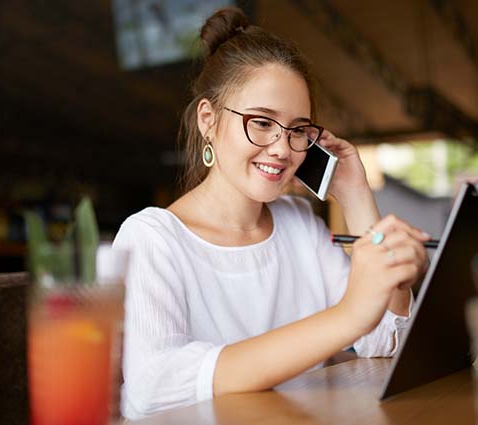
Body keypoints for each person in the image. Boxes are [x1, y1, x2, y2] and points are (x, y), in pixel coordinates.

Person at [112, 7, 430, 419]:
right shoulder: (151, 238)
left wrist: (354, 194)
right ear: (208, 120)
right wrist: (347, 316)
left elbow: (387, 342)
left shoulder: (299, 225)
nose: (283, 148)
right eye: (261, 122)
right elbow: (157, 387)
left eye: (298, 130)